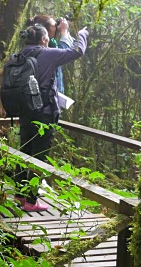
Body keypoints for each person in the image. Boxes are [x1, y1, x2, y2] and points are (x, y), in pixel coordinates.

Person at [14, 21, 88, 212]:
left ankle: (20, 196)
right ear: (43, 39)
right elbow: (77, 51)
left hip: (24, 112)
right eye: (47, 38)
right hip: (45, 114)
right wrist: (81, 34)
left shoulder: (20, 55)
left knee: (24, 152)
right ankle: (31, 201)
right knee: (40, 157)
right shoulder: (47, 54)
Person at [26, 15, 75, 94]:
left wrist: (58, 29)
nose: (56, 26)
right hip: (47, 98)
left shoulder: (32, 46)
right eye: (54, 26)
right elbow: (64, 52)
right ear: (45, 31)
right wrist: (64, 31)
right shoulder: (45, 51)